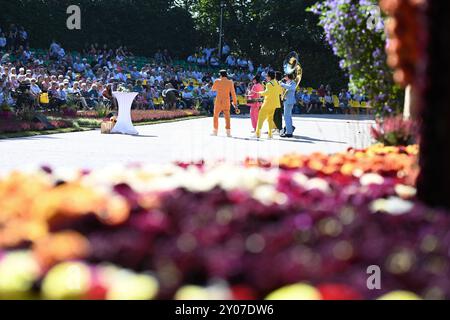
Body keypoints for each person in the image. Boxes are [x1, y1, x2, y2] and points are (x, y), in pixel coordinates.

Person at [255, 71, 283, 139]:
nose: (266, 77)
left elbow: (267, 93)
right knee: (270, 119)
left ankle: (258, 134)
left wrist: (260, 93)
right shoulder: (277, 83)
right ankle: (270, 134)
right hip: (274, 104)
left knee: (261, 118)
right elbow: (280, 92)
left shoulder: (269, 84)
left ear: (269, 77)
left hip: (267, 104)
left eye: (267, 76)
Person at [211, 70, 238, 137]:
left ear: (220, 75)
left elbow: (213, 89)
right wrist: (235, 103)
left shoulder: (217, 81)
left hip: (218, 101)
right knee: (227, 117)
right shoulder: (230, 82)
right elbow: (233, 93)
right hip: (226, 101)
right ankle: (228, 132)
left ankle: (215, 131)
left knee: (216, 116)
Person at [280, 73, 297, 138]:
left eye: (285, 76)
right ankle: (289, 129)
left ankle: (289, 132)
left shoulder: (292, 83)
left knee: (287, 117)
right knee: (287, 116)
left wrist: (282, 84)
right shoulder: (288, 82)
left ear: (288, 77)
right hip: (286, 101)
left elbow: (291, 88)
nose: (284, 77)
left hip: (289, 101)